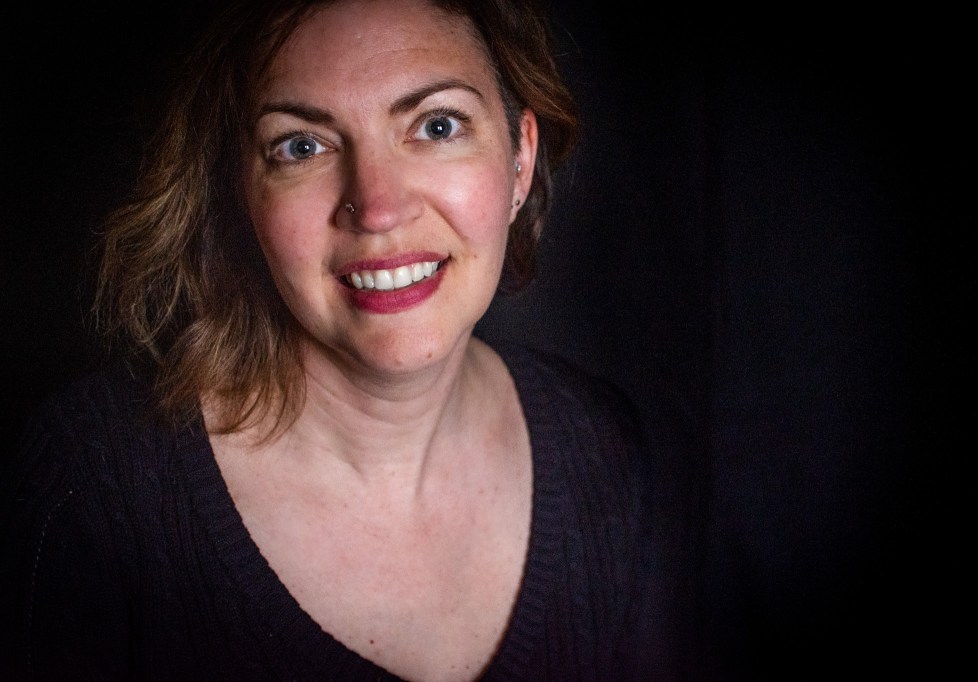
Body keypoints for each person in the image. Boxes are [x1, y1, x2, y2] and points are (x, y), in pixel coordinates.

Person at [1, 0, 674, 679]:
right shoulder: (95, 491)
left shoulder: (601, 452)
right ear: (241, 192)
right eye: (302, 146)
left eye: (437, 126)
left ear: (520, 161)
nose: (378, 208)